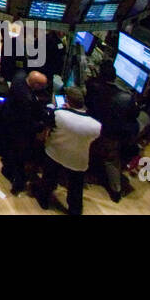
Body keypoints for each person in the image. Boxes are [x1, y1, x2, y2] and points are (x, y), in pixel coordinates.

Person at [36, 87, 102, 215]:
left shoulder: (59, 114)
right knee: (76, 189)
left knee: (49, 180)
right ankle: (75, 210)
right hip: (78, 160)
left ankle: (43, 201)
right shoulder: (96, 126)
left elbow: (47, 127)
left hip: (55, 153)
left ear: (67, 100)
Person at [86, 58, 140, 201]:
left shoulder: (92, 87)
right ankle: (116, 191)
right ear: (114, 77)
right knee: (111, 160)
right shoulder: (126, 98)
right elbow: (135, 115)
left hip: (94, 131)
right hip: (113, 136)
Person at [0, 70, 49, 195]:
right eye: (41, 86)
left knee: (10, 150)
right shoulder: (26, 99)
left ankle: (7, 170)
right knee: (20, 155)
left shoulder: (19, 77)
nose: (43, 89)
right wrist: (41, 125)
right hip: (18, 127)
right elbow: (26, 121)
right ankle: (18, 182)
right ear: (35, 84)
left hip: (8, 118)